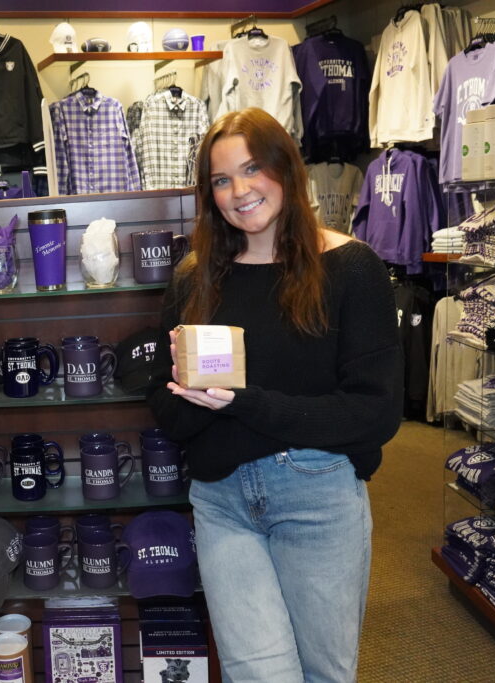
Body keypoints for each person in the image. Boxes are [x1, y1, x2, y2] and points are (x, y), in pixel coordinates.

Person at [147, 108, 402, 682]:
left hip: (317, 496)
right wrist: (188, 392)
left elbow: (376, 412)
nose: (239, 192)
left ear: (285, 170)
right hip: (221, 502)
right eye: (220, 179)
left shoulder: (352, 269)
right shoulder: (196, 277)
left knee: (323, 672)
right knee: (258, 674)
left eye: (252, 169)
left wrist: (243, 401)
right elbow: (165, 409)